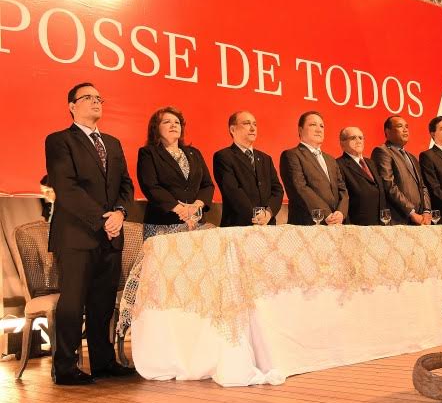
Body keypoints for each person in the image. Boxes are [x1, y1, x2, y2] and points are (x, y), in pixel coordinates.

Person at [45, 82, 135, 385]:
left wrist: (120, 213)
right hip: (76, 235)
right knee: (73, 301)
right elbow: (66, 188)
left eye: (99, 98)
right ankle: (66, 367)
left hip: (111, 234)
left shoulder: (112, 142)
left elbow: (126, 184)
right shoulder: (59, 141)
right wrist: (102, 219)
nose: (96, 102)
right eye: (88, 98)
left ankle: (103, 361)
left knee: (102, 302)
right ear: (72, 105)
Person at [137, 107, 214, 239]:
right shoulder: (148, 153)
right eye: (167, 122)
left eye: (177, 122)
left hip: (195, 224)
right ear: (156, 129)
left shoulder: (194, 153)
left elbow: (207, 185)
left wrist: (196, 207)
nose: (173, 125)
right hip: (163, 225)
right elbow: (151, 186)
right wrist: (180, 210)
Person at [213, 111, 284, 226]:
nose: (252, 128)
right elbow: (233, 191)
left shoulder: (266, 158)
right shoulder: (223, 156)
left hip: (268, 225)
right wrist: (256, 216)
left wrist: (268, 213)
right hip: (238, 226)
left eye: (255, 124)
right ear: (233, 129)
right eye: (246, 123)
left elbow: (277, 190)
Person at [280, 111, 348, 225]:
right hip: (307, 224)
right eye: (313, 125)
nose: (319, 129)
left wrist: (341, 213)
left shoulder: (331, 159)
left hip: (335, 224)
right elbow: (300, 188)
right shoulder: (291, 155)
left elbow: (342, 190)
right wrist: (325, 214)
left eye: (321, 126)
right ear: (300, 130)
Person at [371, 116, 431, 225]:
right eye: (400, 126)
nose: (405, 129)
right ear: (387, 131)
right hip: (398, 220)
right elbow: (389, 185)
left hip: (420, 219)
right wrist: (412, 213)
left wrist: (426, 211)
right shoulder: (382, 151)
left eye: (406, 126)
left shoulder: (412, 157)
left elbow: (423, 186)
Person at [336, 127, 385, 225]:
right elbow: (343, 197)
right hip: (358, 226)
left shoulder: (371, 163)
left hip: (380, 224)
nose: (358, 141)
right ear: (342, 143)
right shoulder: (338, 164)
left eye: (361, 137)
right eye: (353, 138)